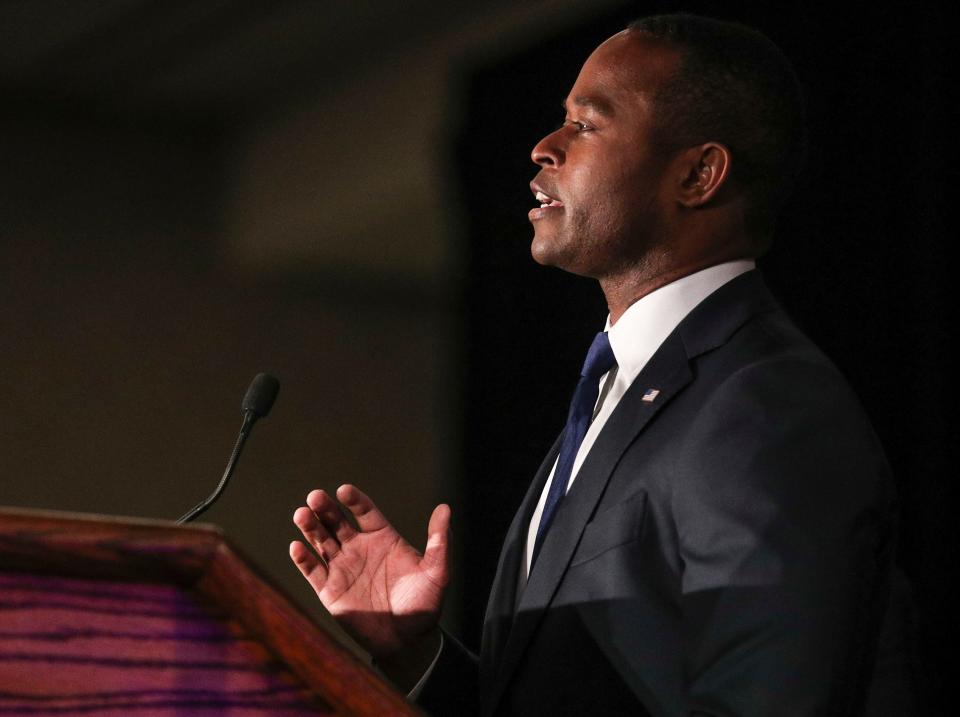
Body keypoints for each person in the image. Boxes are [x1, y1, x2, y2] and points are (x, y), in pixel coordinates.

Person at [289, 14, 902, 716]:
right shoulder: (623, 390)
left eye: (586, 124)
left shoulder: (763, 405)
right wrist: (416, 653)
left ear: (699, 174)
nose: (544, 147)